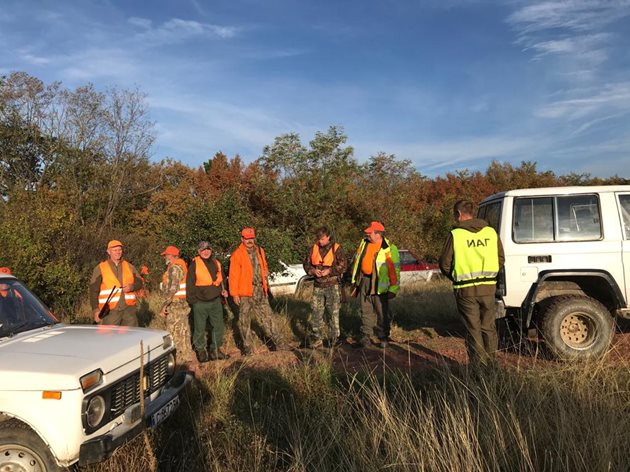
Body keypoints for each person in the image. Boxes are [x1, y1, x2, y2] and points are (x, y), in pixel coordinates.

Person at [439, 199, 505, 365]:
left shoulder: (456, 235)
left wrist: (456, 277)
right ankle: (492, 364)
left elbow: (444, 264)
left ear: (459, 214)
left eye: (455, 215)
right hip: (488, 289)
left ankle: (479, 367)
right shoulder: (490, 233)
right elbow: (501, 258)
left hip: (465, 291)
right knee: (488, 327)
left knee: (473, 329)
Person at [229, 227, 286, 355]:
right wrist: (234, 294)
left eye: (251, 238)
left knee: (268, 317)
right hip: (245, 292)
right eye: (247, 238)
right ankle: (248, 349)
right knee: (245, 321)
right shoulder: (237, 254)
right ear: (242, 239)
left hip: (260, 289)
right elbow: (233, 276)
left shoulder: (260, 250)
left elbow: (264, 265)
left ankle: (280, 344)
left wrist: (265, 271)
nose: (249, 240)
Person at [349, 221, 400, 348]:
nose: (367, 234)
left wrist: (393, 288)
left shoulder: (389, 248)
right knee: (365, 309)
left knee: (381, 311)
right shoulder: (364, 243)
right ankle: (366, 336)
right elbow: (357, 261)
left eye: (369, 232)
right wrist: (355, 280)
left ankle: (383, 337)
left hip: (380, 284)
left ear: (378, 234)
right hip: (364, 280)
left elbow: (395, 270)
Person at [302, 226, 346, 348]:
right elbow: (306, 264)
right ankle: (317, 339)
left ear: (328, 237)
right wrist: (312, 271)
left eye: (322, 239)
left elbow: (343, 265)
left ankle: (334, 339)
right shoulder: (313, 248)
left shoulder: (336, 248)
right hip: (318, 286)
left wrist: (330, 271)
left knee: (333, 312)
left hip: (333, 285)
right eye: (318, 239)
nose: (320, 241)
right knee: (316, 312)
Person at [186, 241, 229, 362]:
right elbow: (190, 284)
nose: (206, 252)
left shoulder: (216, 262)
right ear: (198, 252)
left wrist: (224, 291)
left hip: (216, 301)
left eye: (208, 249)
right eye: (203, 250)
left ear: (211, 250)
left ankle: (215, 350)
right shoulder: (194, 264)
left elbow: (222, 279)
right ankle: (201, 351)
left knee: (218, 326)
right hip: (200, 302)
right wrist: (193, 301)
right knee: (199, 328)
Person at [90, 240, 144, 326]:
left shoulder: (130, 267)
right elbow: (93, 291)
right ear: (108, 252)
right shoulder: (100, 268)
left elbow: (140, 282)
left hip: (129, 311)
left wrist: (131, 287)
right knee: (109, 337)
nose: (118, 252)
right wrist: (95, 310)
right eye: (115, 250)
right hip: (109, 312)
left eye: (120, 250)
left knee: (131, 337)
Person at [158, 246, 194, 365]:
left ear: (172, 256)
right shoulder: (179, 266)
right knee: (183, 330)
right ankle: (186, 356)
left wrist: (164, 306)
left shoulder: (175, 268)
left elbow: (173, 289)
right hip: (180, 303)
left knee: (176, 332)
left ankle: (180, 359)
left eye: (166, 255)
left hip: (176, 304)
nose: (165, 257)